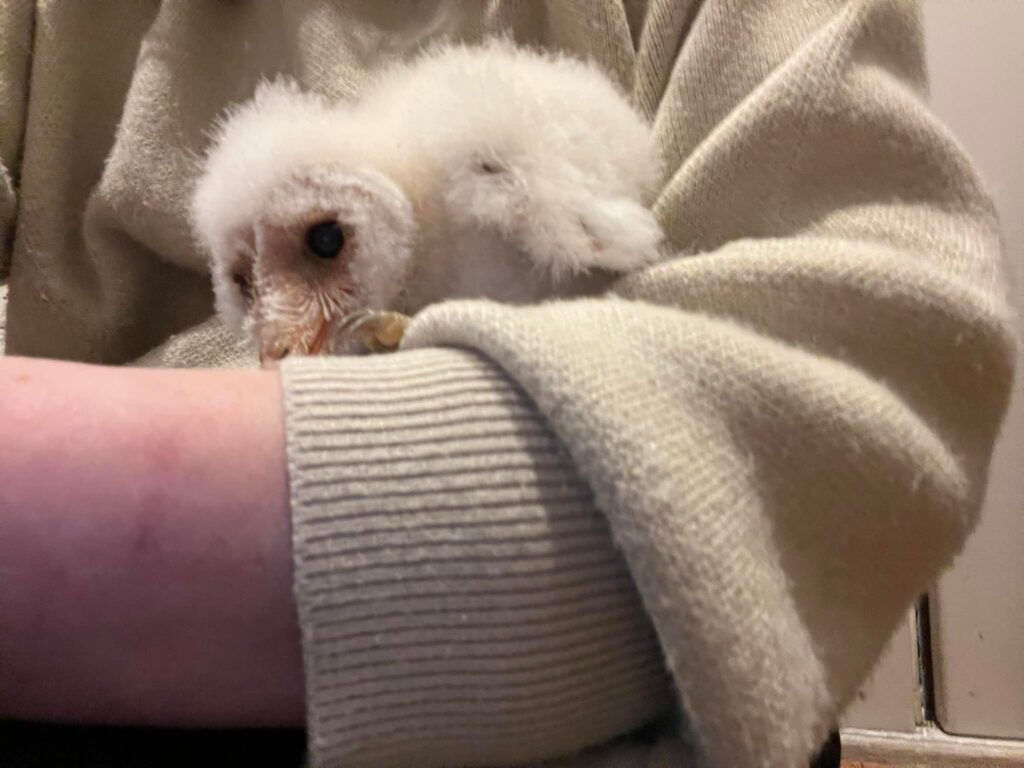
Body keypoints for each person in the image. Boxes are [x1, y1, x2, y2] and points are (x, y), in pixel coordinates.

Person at [0, 2, 1014, 767]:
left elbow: (871, 358)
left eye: (321, 248)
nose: (278, 339)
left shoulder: (511, 144)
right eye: (240, 279)